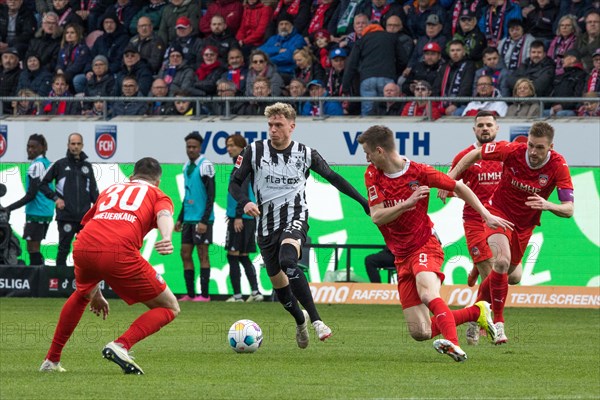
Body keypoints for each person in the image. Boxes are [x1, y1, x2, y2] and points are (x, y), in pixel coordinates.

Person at [357, 125, 511, 361]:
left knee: (427, 291)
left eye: (367, 153)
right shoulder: (372, 174)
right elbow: (377, 216)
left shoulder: (419, 172)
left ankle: (454, 344)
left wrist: (486, 215)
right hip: (401, 255)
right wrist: (406, 204)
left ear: (379, 151)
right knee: (421, 332)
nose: (366, 158)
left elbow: (459, 186)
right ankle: (475, 311)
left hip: (425, 244)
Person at [230, 102, 370, 347]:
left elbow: (334, 178)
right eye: (270, 125)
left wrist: (362, 202)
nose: (273, 130)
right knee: (281, 289)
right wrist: (244, 202)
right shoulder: (253, 151)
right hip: (265, 227)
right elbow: (234, 182)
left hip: (296, 217)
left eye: (278, 125)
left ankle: (317, 321)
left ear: (291, 126)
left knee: (288, 260)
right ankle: (300, 321)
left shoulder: (306, 153)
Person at [39, 157, 179, 374]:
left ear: (132, 177)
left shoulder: (112, 189)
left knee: (81, 294)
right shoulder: (157, 194)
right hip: (118, 251)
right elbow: (164, 214)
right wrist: (167, 236)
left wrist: (94, 292)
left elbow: (91, 225)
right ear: (157, 182)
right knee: (169, 307)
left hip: (83, 245)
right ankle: (121, 345)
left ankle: (51, 360)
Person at [446, 121, 574, 345]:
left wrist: (549, 205)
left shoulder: (558, 166)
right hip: (498, 213)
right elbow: (475, 154)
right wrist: (451, 178)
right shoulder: (512, 150)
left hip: (524, 226)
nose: (533, 152)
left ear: (551, 147)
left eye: (540, 148)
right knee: (502, 262)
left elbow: (569, 209)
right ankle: (499, 323)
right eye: (531, 145)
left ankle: (473, 314)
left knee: (512, 276)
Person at [443, 111, 504, 345]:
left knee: (506, 275)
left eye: (489, 125)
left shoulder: (505, 154)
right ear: (474, 130)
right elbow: (451, 186)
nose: (485, 128)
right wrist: (447, 188)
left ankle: (473, 309)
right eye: (481, 125)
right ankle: (487, 323)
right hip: (475, 221)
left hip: (500, 221)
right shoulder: (464, 157)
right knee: (493, 276)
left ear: (497, 128)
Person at [39, 133, 99, 267]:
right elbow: (42, 184)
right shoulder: (60, 164)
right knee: (64, 249)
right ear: (68, 145)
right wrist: (56, 198)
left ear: (82, 145)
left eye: (78, 144)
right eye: (73, 144)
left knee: (85, 251)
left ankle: (83, 280)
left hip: (84, 218)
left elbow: (94, 191)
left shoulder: (87, 167)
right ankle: (59, 282)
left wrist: (100, 210)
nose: (75, 147)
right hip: (66, 216)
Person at [175, 132, 215, 302]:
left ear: (200, 148)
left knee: (202, 255)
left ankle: (204, 295)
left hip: (201, 220)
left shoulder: (206, 166)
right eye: (188, 147)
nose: (191, 149)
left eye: (194, 147)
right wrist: (180, 218)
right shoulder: (186, 167)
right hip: (189, 219)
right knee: (184, 253)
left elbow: (211, 195)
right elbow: (187, 195)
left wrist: (204, 221)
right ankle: (190, 294)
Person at [225, 134, 263, 303]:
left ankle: (238, 296)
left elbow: (241, 191)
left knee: (233, 255)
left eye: (232, 145)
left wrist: (238, 215)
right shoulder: (244, 164)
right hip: (244, 217)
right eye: (227, 145)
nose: (229, 148)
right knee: (243, 255)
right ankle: (255, 293)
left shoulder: (242, 165)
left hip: (242, 217)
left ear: (241, 147)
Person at [5, 134, 54, 266]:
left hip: (37, 211)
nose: (30, 150)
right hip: (46, 210)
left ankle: (37, 279)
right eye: (28, 146)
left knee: (32, 248)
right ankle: (39, 273)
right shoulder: (46, 163)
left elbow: (31, 194)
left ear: (42, 148)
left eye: (34, 147)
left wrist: (9, 208)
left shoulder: (36, 166)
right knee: (33, 247)